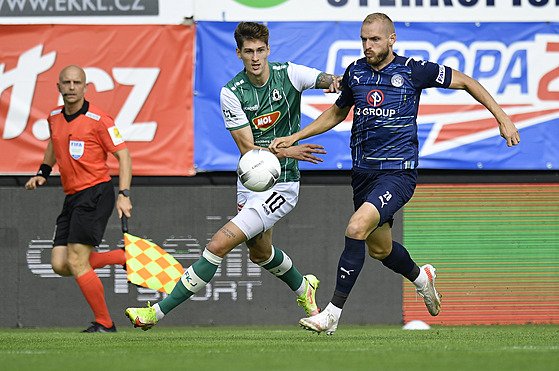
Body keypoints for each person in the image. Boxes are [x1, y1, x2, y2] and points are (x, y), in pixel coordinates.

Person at [270, 13, 520, 335]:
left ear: (391, 40)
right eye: (363, 39)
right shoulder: (355, 73)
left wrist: (502, 118)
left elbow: (468, 82)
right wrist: (296, 137)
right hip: (363, 174)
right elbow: (337, 111)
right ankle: (421, 277)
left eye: (374, 39)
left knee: (356, 227)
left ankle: (331, 314)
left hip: (398, 174)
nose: (367, 45)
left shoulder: (413, 70)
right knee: (380, 249)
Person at [125, 21, 341, 330]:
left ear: (268, 50)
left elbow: (326, 79)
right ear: (238, 53)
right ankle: (303, 286)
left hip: (283, 185)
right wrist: (289, 149)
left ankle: (155, 313)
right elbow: (247, 148)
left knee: (217, 245)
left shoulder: (289, 74)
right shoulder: (232, 92)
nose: (255, 57)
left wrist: (336, 81)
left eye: (260, 50)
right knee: (260, 252)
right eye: (249, 51)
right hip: (250, 180)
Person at [25, 65, 133, 333]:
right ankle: (122, 257)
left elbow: (124, 157)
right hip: (72, 195)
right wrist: (43, 172)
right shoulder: (53, 117)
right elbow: (54, 142)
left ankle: (105, 323)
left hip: (96, 192)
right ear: (59, 87)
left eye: (77, 82)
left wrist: (123, 194)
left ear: (86, 87)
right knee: (61, 264)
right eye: (66, 82)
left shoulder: (100, 120)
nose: (71, 87)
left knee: (76, 261)